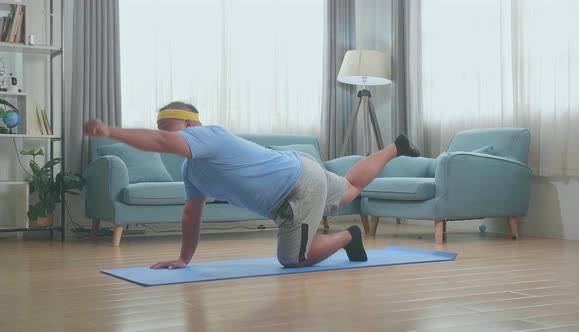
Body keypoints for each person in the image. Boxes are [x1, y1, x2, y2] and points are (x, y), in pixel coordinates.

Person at [83, 101, 420, 269]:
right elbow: (191, 216)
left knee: (292, 260)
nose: (167, 136)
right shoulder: (192, 171)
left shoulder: (209, 134)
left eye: (170, 128)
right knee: (349, 190)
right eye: (164, 129)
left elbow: (157, 141)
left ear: (190, 124)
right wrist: (185, 259)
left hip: (295, 188)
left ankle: (349, 236)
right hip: (299, 167)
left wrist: (111, 132)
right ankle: (395, 148)